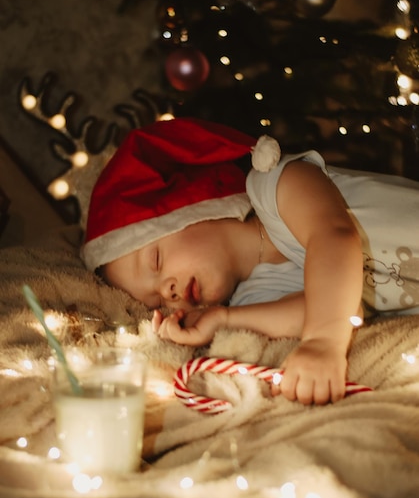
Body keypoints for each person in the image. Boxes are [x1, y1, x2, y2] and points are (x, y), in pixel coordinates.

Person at [81, 117, 419, 406]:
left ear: (188, 211)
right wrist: (225, 318)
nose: (168, 292)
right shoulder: (254, 295)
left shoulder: (273, 185)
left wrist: (323, 342)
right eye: (155, 299)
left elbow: (333, 237)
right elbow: (343, 310)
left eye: (156, 261)